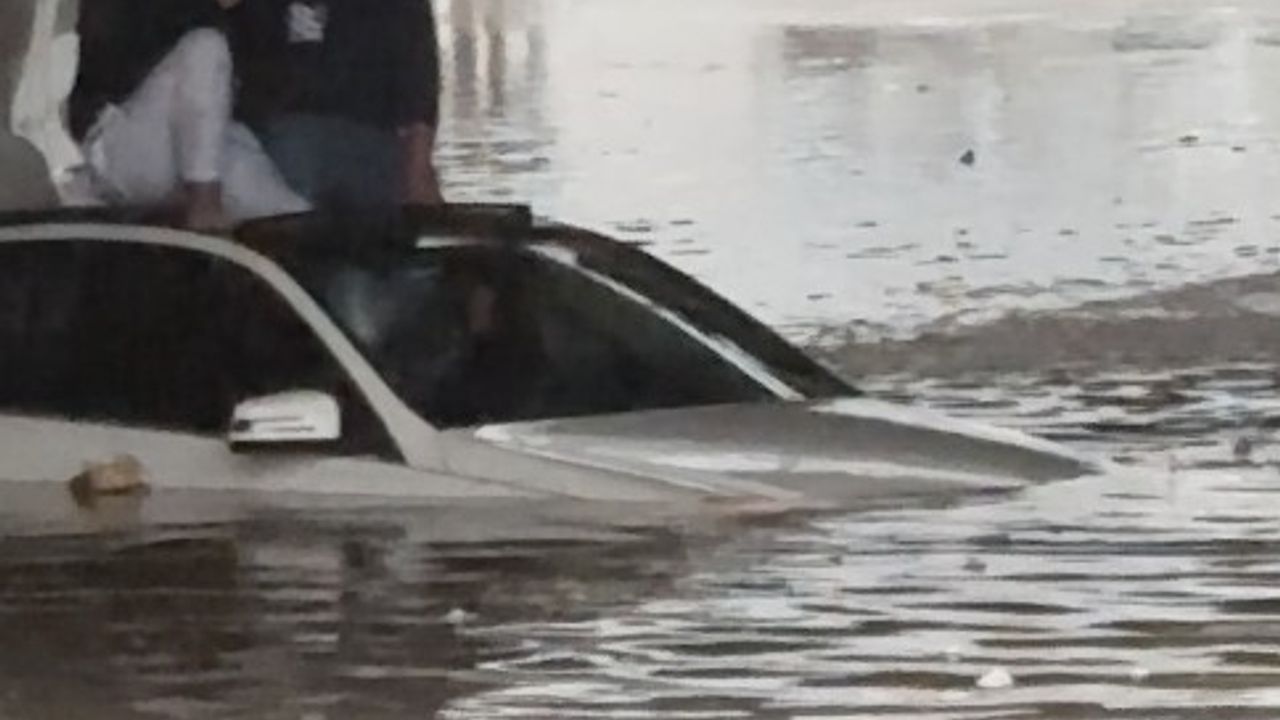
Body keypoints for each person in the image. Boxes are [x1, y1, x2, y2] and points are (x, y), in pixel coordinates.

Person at [69, 0, 309, 231]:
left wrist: (242, 12)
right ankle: (204, 207)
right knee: (206, 46)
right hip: (116, 143)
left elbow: (265, 91)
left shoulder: (256, 12)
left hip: (201, 150)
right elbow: (105, 61)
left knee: (291, 216)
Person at [229, 0, 444, 211]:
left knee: (293, 148)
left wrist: (417, 170)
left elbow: (418, 79)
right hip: (266, 135)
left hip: (354, 138)